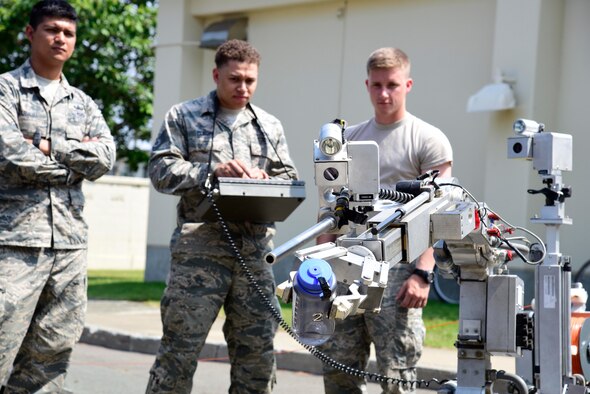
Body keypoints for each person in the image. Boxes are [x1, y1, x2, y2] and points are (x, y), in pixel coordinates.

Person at [146, 39, 299, 394]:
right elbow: (159, 169)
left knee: (257, 357)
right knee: (179, 354)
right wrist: (211, 173)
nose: (243, 87)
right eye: (234, 79)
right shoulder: (183, 116)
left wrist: (266, 180)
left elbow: (289, 179)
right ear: (216, 74)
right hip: (199, 255)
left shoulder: (269, 126)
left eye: (250, 80)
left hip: (254, 255)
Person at [319, 47, 453, 393]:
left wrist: (424, 274)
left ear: (407, 84)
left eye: (392, 84)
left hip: (399, 271)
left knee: (396, 375)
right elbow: (330, 210)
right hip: (347, 268)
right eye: (376, 85)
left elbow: (440, 212)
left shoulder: (428, 139)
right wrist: (321, 269)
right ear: (367, 85)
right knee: (338, 369)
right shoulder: (347, 140)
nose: (383, 93)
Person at [0, 0, 116, 392]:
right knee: (1, 345)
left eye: (68, 33)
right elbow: (10, 153)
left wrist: (52, 147)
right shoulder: (6, 89)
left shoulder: (83, 103)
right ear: (31, 33)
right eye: (52, 30)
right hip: (14, 244)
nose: (60, 38)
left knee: (53, 352)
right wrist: (72, 168)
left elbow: (105, 158)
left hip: (69, 246)